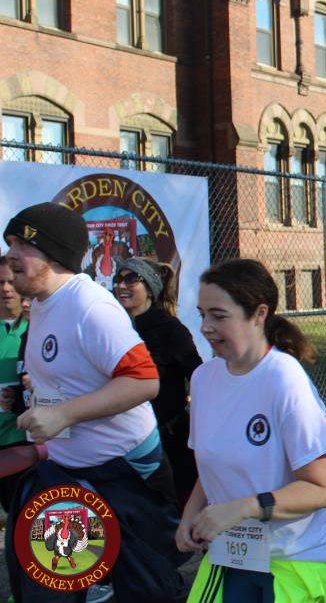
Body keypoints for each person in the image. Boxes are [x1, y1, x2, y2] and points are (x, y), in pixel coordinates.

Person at [3, 202, 186, 602]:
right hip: (68, 473)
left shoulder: (90, 307)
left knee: (146, 591)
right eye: (10, 243)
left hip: (126, 474)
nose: (10, 254)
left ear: (53, 252)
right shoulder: (43, 306)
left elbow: (144, 381)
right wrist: (40, 417)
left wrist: (62, 415)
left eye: (22, 244)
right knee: (51, 587)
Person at [178, 259, 326, 602]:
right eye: (202, 314)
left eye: (219, 316)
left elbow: (322, 488)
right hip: (228, 557)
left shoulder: (284, 379)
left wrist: (244, 507)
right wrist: (190, 515)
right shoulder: (203, 379)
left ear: (259, 314)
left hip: (295, 558)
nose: (205, 327)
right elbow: (213, 466)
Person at [113, 258, 202, 508]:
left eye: (131, 279)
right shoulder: (112, 328)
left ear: (150, 288)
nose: (121, 285)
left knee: (169, 509)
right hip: (122, 438)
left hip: (168, 440)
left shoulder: (170, 329)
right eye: (118, 279)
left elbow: (198, 374)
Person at [0, 255, 29, 512]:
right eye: (0, 283)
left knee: (21, 517)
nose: (6, 289)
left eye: (11, 282)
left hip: (23, 443)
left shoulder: (38, 328)